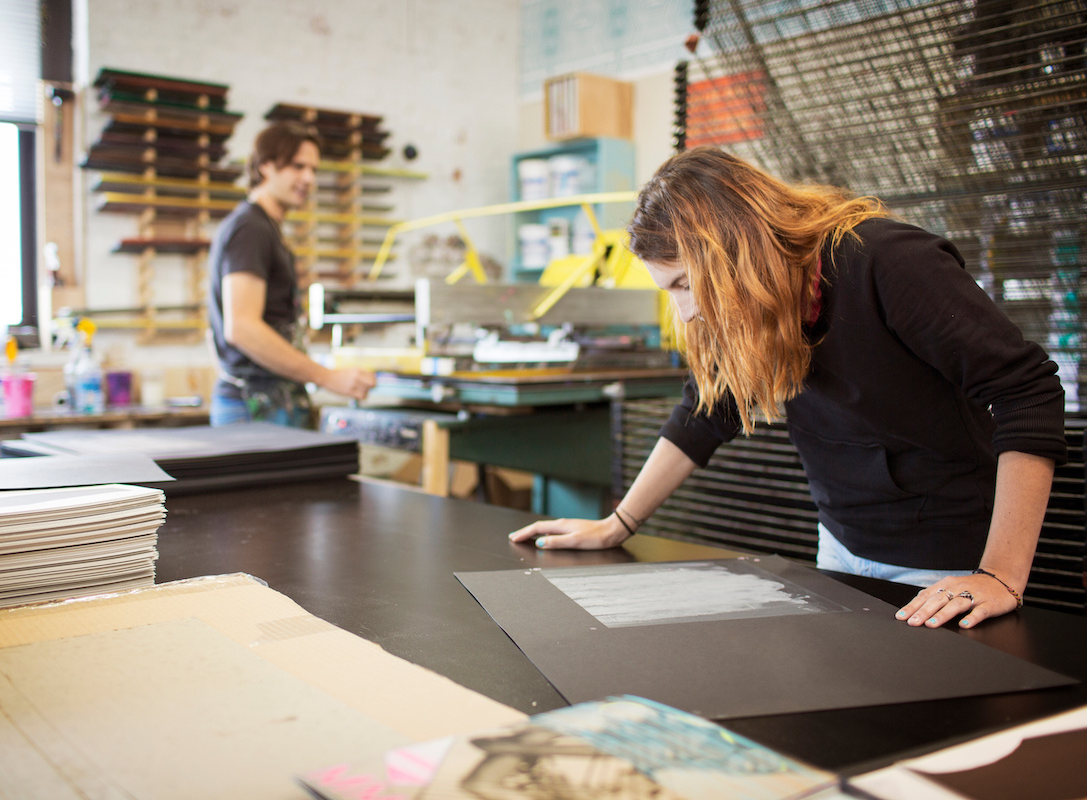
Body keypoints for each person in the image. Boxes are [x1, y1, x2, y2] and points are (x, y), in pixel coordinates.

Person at [509, 147, 1067, 630]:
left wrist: (999, 575)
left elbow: (1027, 391)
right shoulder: (754, 305)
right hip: (840, 548)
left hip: (947, 563)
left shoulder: (889, 262)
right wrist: (618, 524)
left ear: (733, 248)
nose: (690, 310)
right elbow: (706, 410)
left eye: (685, 282)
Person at [207, 120, 376, 427]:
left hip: (271, 401)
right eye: (297, 167)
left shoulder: (266, 228)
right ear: (265, 166)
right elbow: (242, 327)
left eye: (313, 169)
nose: (308, 178)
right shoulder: (251, 229)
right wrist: (327, 377)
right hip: (254, 407)